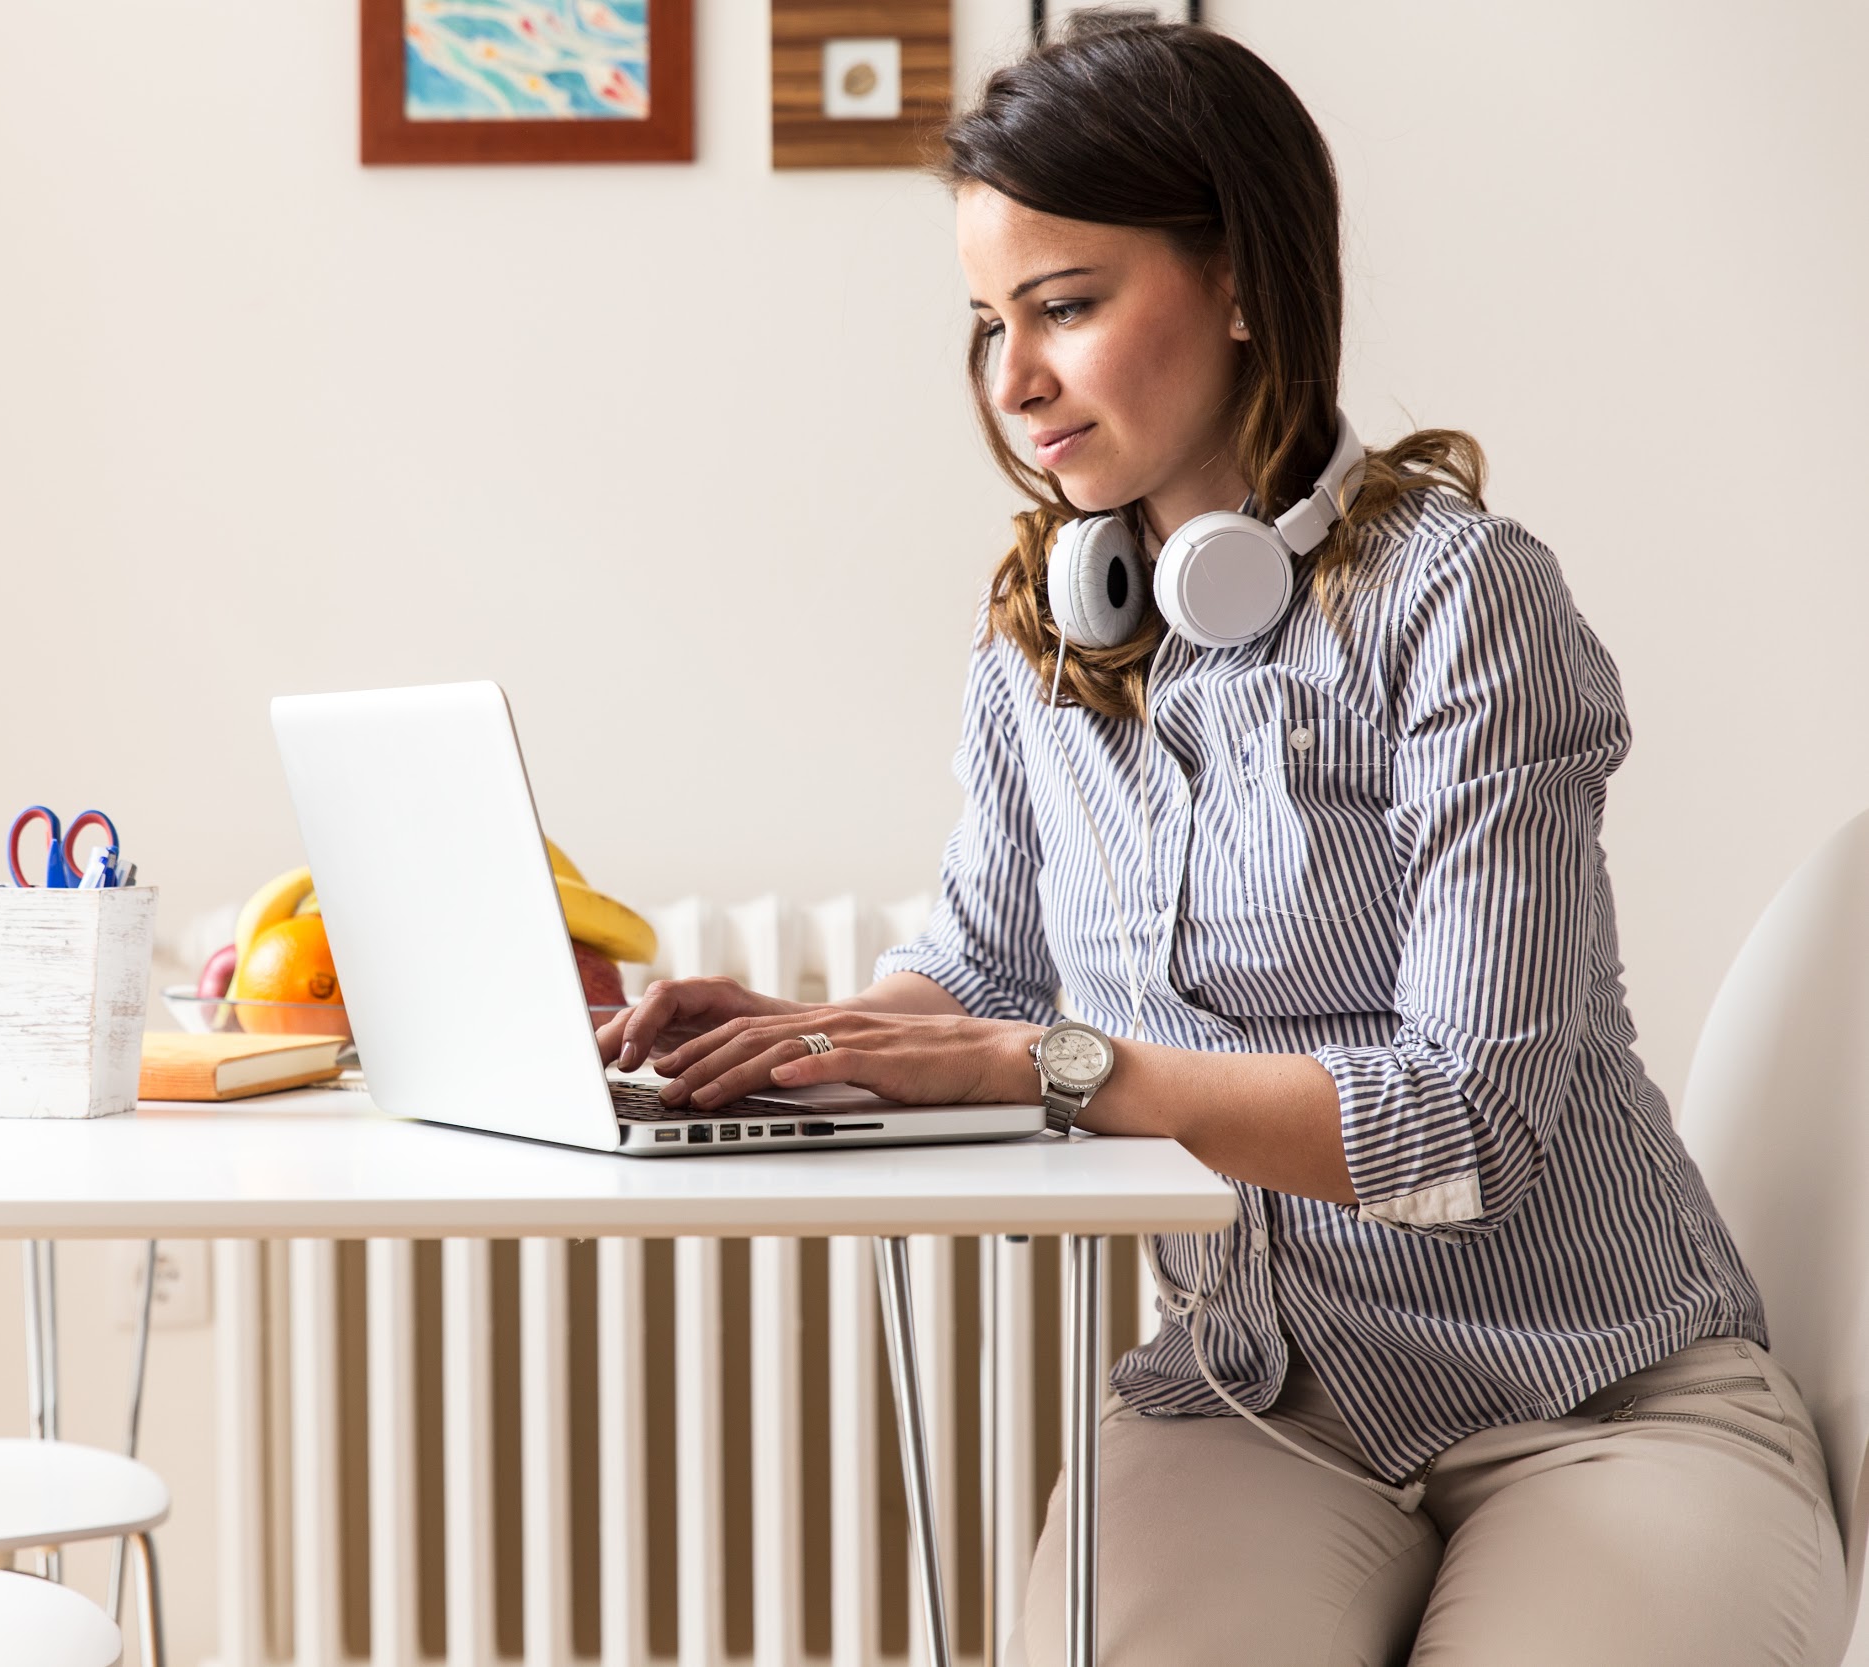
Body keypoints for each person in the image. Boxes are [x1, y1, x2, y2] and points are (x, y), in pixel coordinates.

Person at [596, 17, 1845, 1665]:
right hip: (1258, 1400)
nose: (1015, 379)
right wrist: (798, 1037)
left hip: (1598, 1390)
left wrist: (1053, 1067)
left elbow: (1470, 1124)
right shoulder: (1045, 632)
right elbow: (979, 968)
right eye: (989, 323)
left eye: (1067, 305)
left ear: (1245, 280)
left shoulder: (1464, 602)